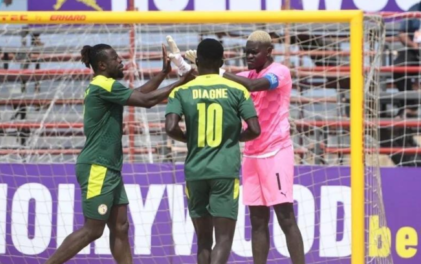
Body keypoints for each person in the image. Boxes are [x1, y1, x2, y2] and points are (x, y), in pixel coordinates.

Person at [44, 44, 194, 264]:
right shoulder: (103, 85)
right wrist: (182, 81)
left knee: (120, 226)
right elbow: (146, 101)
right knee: (93, 230)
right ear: (102, 65)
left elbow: (140, 93)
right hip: (97, 166)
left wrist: (163, 73)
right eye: (115, 58)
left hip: (110, 167)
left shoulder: (106, 85)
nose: (121, 61)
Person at [168, 30, 305, 264]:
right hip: (251, 154)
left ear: (269, 52)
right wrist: (181, 64)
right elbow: (207, 81)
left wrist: (216, 68)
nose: (249, 56)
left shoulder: (280, 72)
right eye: (247, 52)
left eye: (254, 52)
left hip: (276, 151)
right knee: (258, 220)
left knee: (285, 217)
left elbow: (253, 85)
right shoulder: (242, 75)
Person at [165, 38, 260, 264]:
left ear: (196, 60)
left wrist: (190, 139)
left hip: (195, 171)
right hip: (224, 171)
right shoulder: (237, 90)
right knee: (224, 239)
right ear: (222, 61)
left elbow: (170, 128)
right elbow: (255, 129)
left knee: (204, 241)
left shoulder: (181, 90)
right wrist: (232, 137)